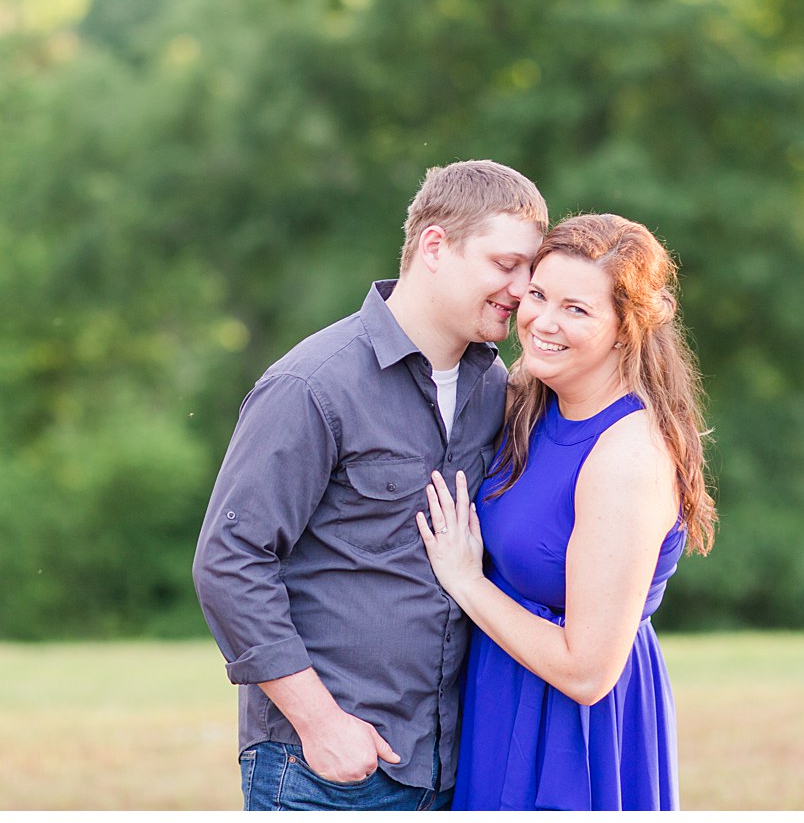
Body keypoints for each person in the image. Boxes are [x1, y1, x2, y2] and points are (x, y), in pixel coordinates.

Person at [192, 160, 549, 811]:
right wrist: (319, 723)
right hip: (325, 771)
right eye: (506, 265)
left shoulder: (496, 389)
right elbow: (229, 562)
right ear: (435, 246)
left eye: (531, 271)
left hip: (450, 768)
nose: (523, 289)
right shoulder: (313, 385)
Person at [417, 213, 717, 811]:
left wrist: (465, 582)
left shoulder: (628, 457)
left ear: (626, 328)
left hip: (574, 742)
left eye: (577, 309)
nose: (543, 322)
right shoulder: (533, 397)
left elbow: (588, 672)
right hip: (503, 704)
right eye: (537, 295)